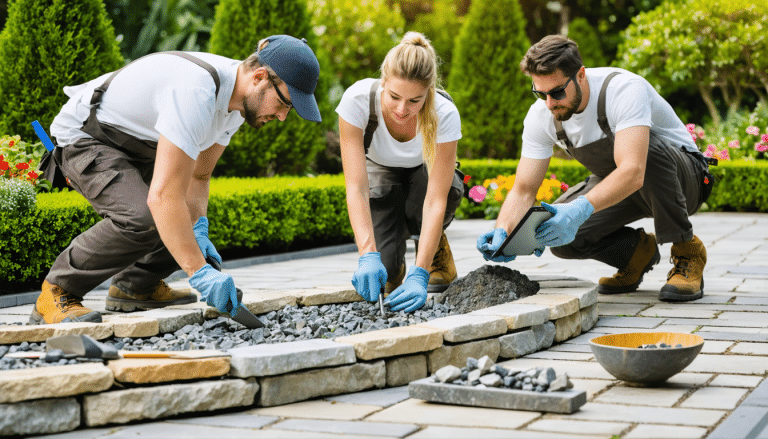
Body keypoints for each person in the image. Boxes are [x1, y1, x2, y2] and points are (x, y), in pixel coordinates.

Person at [31, 35, 322, 324]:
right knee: (142, 217)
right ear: (259, 77)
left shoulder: (235, 104)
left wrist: (199, 232)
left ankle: (135, 287)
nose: (283, 116)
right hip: (87, 137)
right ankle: (57, 292)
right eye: (285, 102)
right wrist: (199, 273)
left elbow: (199, 174)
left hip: (138, 143)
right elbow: (162, 197)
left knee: (185, 220)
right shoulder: (197, 92)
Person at [477, 35, 713, 302]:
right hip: (624, 187)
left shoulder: (624, 89)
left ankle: (687, 251)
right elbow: (523, 189)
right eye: (539, 93)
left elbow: (634, 170)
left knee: (646, 151)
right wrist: (504, 231)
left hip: (684, 182)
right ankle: (636, 253)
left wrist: (579, 209)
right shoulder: (541, 115)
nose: (549, 103)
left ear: (580, 75)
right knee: (560, 237)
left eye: (556, 92)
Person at [336, 32, 464, 312]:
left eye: (414, 101)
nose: (402, 110)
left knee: (445, 189)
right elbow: (357, 187)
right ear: (383, 80)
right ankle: (394, 261)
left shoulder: (444, 113)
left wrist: (420, 273)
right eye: (394, 96)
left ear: (429, 92)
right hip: (381, 174)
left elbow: (436, 198)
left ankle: (432, 253)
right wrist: (367, 255)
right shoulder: (357, 101)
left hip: (423, 175)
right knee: (387, 270)